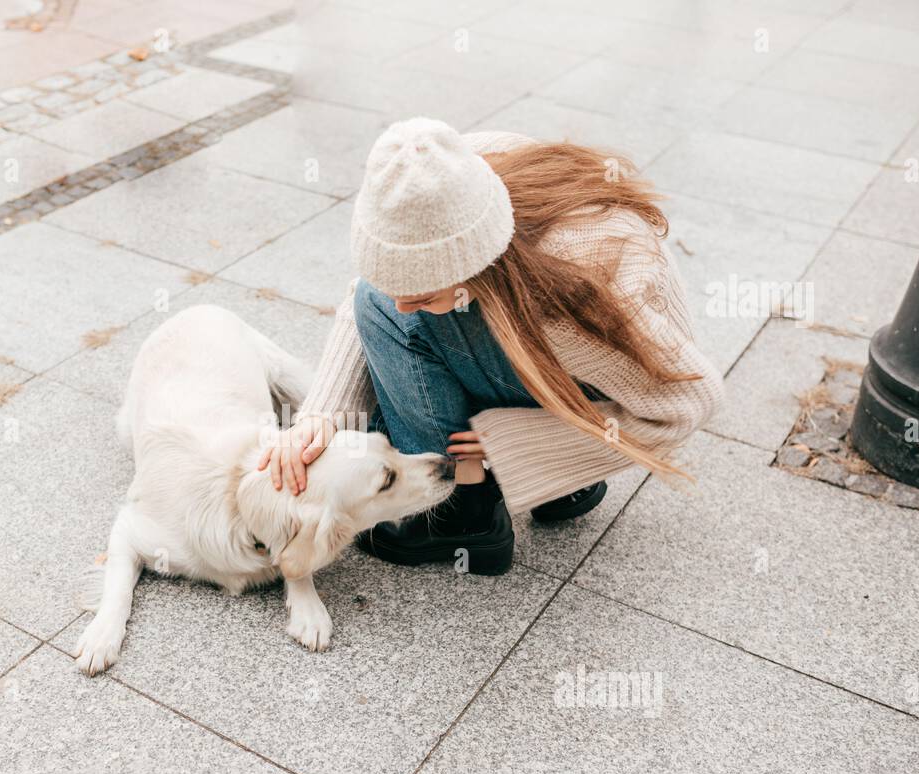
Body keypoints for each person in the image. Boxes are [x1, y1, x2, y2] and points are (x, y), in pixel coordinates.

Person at [258, 118, 724, 575]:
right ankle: (558, 485)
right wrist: (321, 413)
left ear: (476, 260)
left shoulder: (578, 290)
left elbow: (689, 405)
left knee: (383, 343)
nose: (401, 303)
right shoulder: (455, 171)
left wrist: (513, 442)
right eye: (393, 281)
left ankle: (462, 511)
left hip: (582, 368)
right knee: (376, 306)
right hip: (551, 361)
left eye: (420, 293)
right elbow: (371, 292)